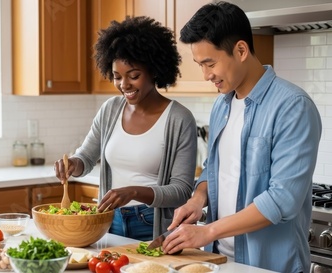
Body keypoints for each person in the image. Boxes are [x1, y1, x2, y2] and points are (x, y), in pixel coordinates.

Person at [161, 2, 322, 272]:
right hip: (220, 260)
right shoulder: (221, 105)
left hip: (269, 266)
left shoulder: (293, 106)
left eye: (210, 63)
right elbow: (214, 167)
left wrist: (208, 231)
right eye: (200, 65)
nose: (205, 75)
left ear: (241, 50)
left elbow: (282, 200)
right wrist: (198, 199)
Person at [53, 16, 198, 241]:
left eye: (134, 76)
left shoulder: (179, 119)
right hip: (109, 220)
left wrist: (135, 192)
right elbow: (86, 157)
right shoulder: (110, 109)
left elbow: (181, 190)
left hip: (152, 224)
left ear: (155, 71)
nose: (124, 85)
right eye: (117, 77)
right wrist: (73, 164)